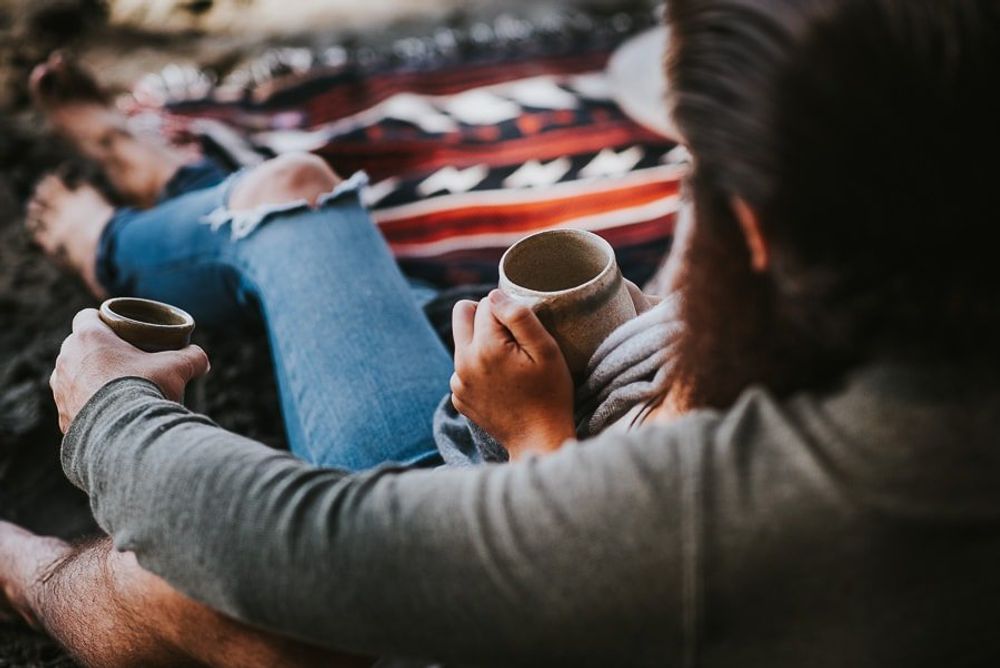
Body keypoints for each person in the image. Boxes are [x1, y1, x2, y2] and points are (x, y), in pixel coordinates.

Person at [4, 0, 1000, 665]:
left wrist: (112, 411)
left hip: (498, 539)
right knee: (290, 188)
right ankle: (136, 227)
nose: (683, 189)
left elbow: (293, 541)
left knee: (215, 602)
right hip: (547, 512)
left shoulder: (741, 506)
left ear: (753, 234)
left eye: (694, 169)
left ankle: (27, 564)